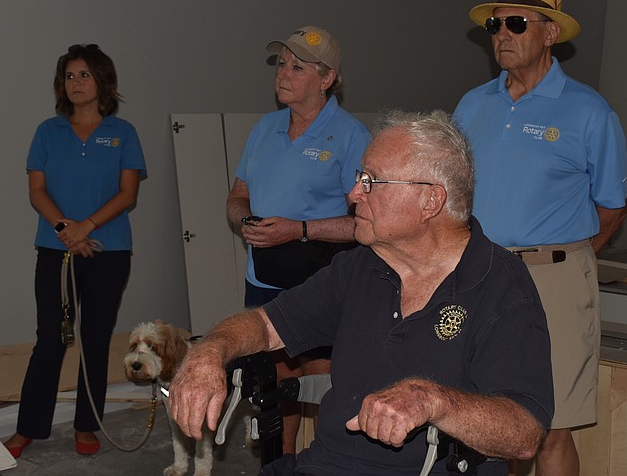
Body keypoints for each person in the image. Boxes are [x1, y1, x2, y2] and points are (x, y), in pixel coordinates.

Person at [171, 110, 554, 476]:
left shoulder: (501, 285)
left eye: (372, 181)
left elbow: (523, 433)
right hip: (324, 466)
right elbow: (267, 323)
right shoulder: (361, 265)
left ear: (430, 201)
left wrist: (432, 400)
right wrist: (210, 350)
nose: (354, 193)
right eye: (360, 177)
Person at [454, 0, 627, 476]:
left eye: (516, 23)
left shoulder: (590, 112)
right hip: (480, 274)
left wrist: (565, 258)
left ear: (550, 33)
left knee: (551, 427)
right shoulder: (472, 105)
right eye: (495, 24)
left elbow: (612, 208)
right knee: (491, 417)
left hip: (554, 280)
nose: (501, 34)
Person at [227, 25, 370, 453]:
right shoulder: (264, 128)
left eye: (298, 67)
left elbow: (364, 223)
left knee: (323, 380)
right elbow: (238, 195)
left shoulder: (351, 136)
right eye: (281, 64)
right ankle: (280, 461)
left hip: (321, 282)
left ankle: (329, 460)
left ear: (327, 80)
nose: (283, 74)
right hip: (265, 277)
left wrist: (300, 229)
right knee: (275, 379)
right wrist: (244, 219)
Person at [4, 43, 147, 458]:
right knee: (49, 339)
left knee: (95, 338)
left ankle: (88, 425)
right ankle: (28, 428)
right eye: (69, 76)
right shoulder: (47, 132)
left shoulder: (123, 133)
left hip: (110, 251)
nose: (76, 83)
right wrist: (68, 230)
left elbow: (128, 193)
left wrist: (88, 226)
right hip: (55, 250)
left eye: (84, 75)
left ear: (103, 81)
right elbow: (36, 190)